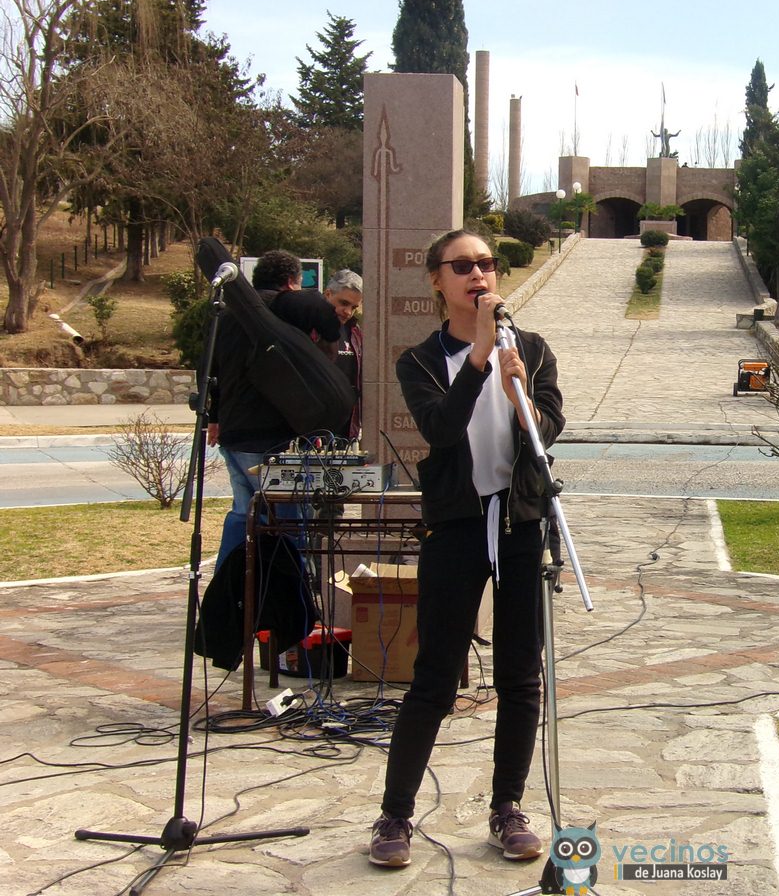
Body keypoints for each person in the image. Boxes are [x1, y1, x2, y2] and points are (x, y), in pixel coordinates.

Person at [369, 229, 564, 868]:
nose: (478, 275)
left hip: (520, 522)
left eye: (486, 264)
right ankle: (395, 816)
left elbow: (549, 429)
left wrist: (520, 394)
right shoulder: (421, 361)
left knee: (520, 675)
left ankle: (508, 806)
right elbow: (442, 429)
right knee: (434, 676)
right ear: (437, 280)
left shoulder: (531, 349)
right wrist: (478, 358)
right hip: (455, 526)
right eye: (462, 266)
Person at [208, 249, 341, 576]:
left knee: (243, 513)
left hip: (234, 432)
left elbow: (211, 369)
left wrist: (214, 417)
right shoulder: (286, 307)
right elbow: (327, 319)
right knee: (290, 520)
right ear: (292, 281)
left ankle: (230, 586)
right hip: (272, 435)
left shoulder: (228, 315)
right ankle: (291, 590)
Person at [322, 269, 364, 442]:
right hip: (312, 431)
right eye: (344, 303)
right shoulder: (310, 328)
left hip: (346, 431)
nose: (348, 312)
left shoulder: (354, 331)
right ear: (328, 294)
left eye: (353, 307)